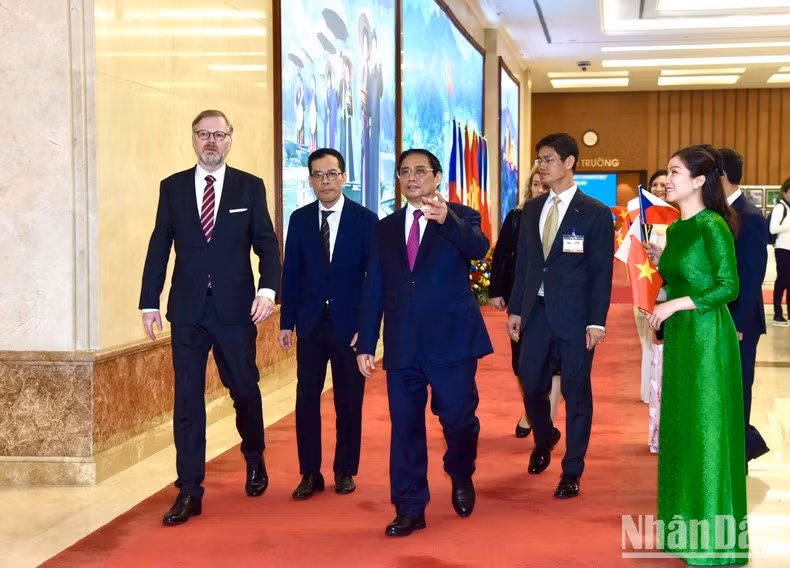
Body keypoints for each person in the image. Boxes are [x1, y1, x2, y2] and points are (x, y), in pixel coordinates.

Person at [139, 110, 281, 525]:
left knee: (244, 389)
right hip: (186, 311)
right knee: (187, 400)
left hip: (235, 310)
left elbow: (267, 246)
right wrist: (149, 301)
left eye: (219, 134)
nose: (211, 141)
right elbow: (158, 246)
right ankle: (189, 489)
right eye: (204, 134)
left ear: (230, 140)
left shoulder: (249, 188)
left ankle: (254, 455)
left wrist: (268, 290)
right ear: (194, 139)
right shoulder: (173, 188)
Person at [356, 149, 493, 537]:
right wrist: (368, 341)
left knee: (458, 420)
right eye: (404, 172)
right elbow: (374, 288)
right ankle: (410, 506)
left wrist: (446, 219)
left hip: (452, 343)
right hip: (402, 345)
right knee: (405, 428)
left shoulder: (462, 217)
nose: (411, 177)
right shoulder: (385, 228)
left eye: (420, 171)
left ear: (437, 177)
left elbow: (479, 250)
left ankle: (461, 472)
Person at [644, 145, 747, 565]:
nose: (668, 179)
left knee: (705, 432)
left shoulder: (713, 226)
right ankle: (682, 528)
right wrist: (665, 274)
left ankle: (712, 541)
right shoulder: (677, 228)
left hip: (706, 338)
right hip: (684, 338)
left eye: (675, 172)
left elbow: (728, 287)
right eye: (668, 172)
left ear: (700, 181)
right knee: (681, 430)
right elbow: (687, 278)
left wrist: (675, 304)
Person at [506, 133, 614, 499]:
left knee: (576, 391)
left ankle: (572, 470)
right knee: (531, 382)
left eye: (548, 159)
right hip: (535, 313)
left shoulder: (596, 213)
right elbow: (525, 264)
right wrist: (517, 309)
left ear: (569, 163)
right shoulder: (533, 209)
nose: (542, 165)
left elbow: (602, 273)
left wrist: (596, 322)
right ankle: (543, 436)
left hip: (576, 317)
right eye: (539, 159)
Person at [279, 148, 378, 499]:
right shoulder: (301, 219)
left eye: (332, 174)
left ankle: (344, 470)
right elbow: (290, 274)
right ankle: (309, 473)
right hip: (309, 326)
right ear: (309, 180)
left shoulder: (365, 221)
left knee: (349, 402)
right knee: (306, 400)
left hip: (349, 328)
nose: (325, 181)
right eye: (318, 175)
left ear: (343, 176)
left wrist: (367, 331)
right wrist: (286, 322)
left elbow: (373, 282)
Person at [489, 165, 561, 439]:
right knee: (522, 364)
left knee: (555, 364)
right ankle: (533, 410)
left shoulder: (569, 216)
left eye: (545, 186)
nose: (540, 190)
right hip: (522, 302)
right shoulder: (518, 217)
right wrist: (497, 290)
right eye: (536, 185)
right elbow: (502, 256)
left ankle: (547, 423)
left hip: (557, 301)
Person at [720, 148, 770, 469]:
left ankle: (742, 452)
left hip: (740, 322)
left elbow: (752, 276)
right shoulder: (719, 212)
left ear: (721, 176)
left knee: (738, 387)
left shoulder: (749, 216)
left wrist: (736, 323)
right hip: (718, 316)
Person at [644, 169, 669, 453]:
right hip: (657, 296)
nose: (663, 187)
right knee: (656, 359)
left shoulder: (678, 221)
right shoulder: (648, 220)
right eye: (658, 184)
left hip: (675, 301)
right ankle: (658, 432)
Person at [770, 177, 790, 326]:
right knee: (782, 281)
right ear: (785, 192)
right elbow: (773, 228)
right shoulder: (780, 208)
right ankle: (777, 314)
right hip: (782, 249)